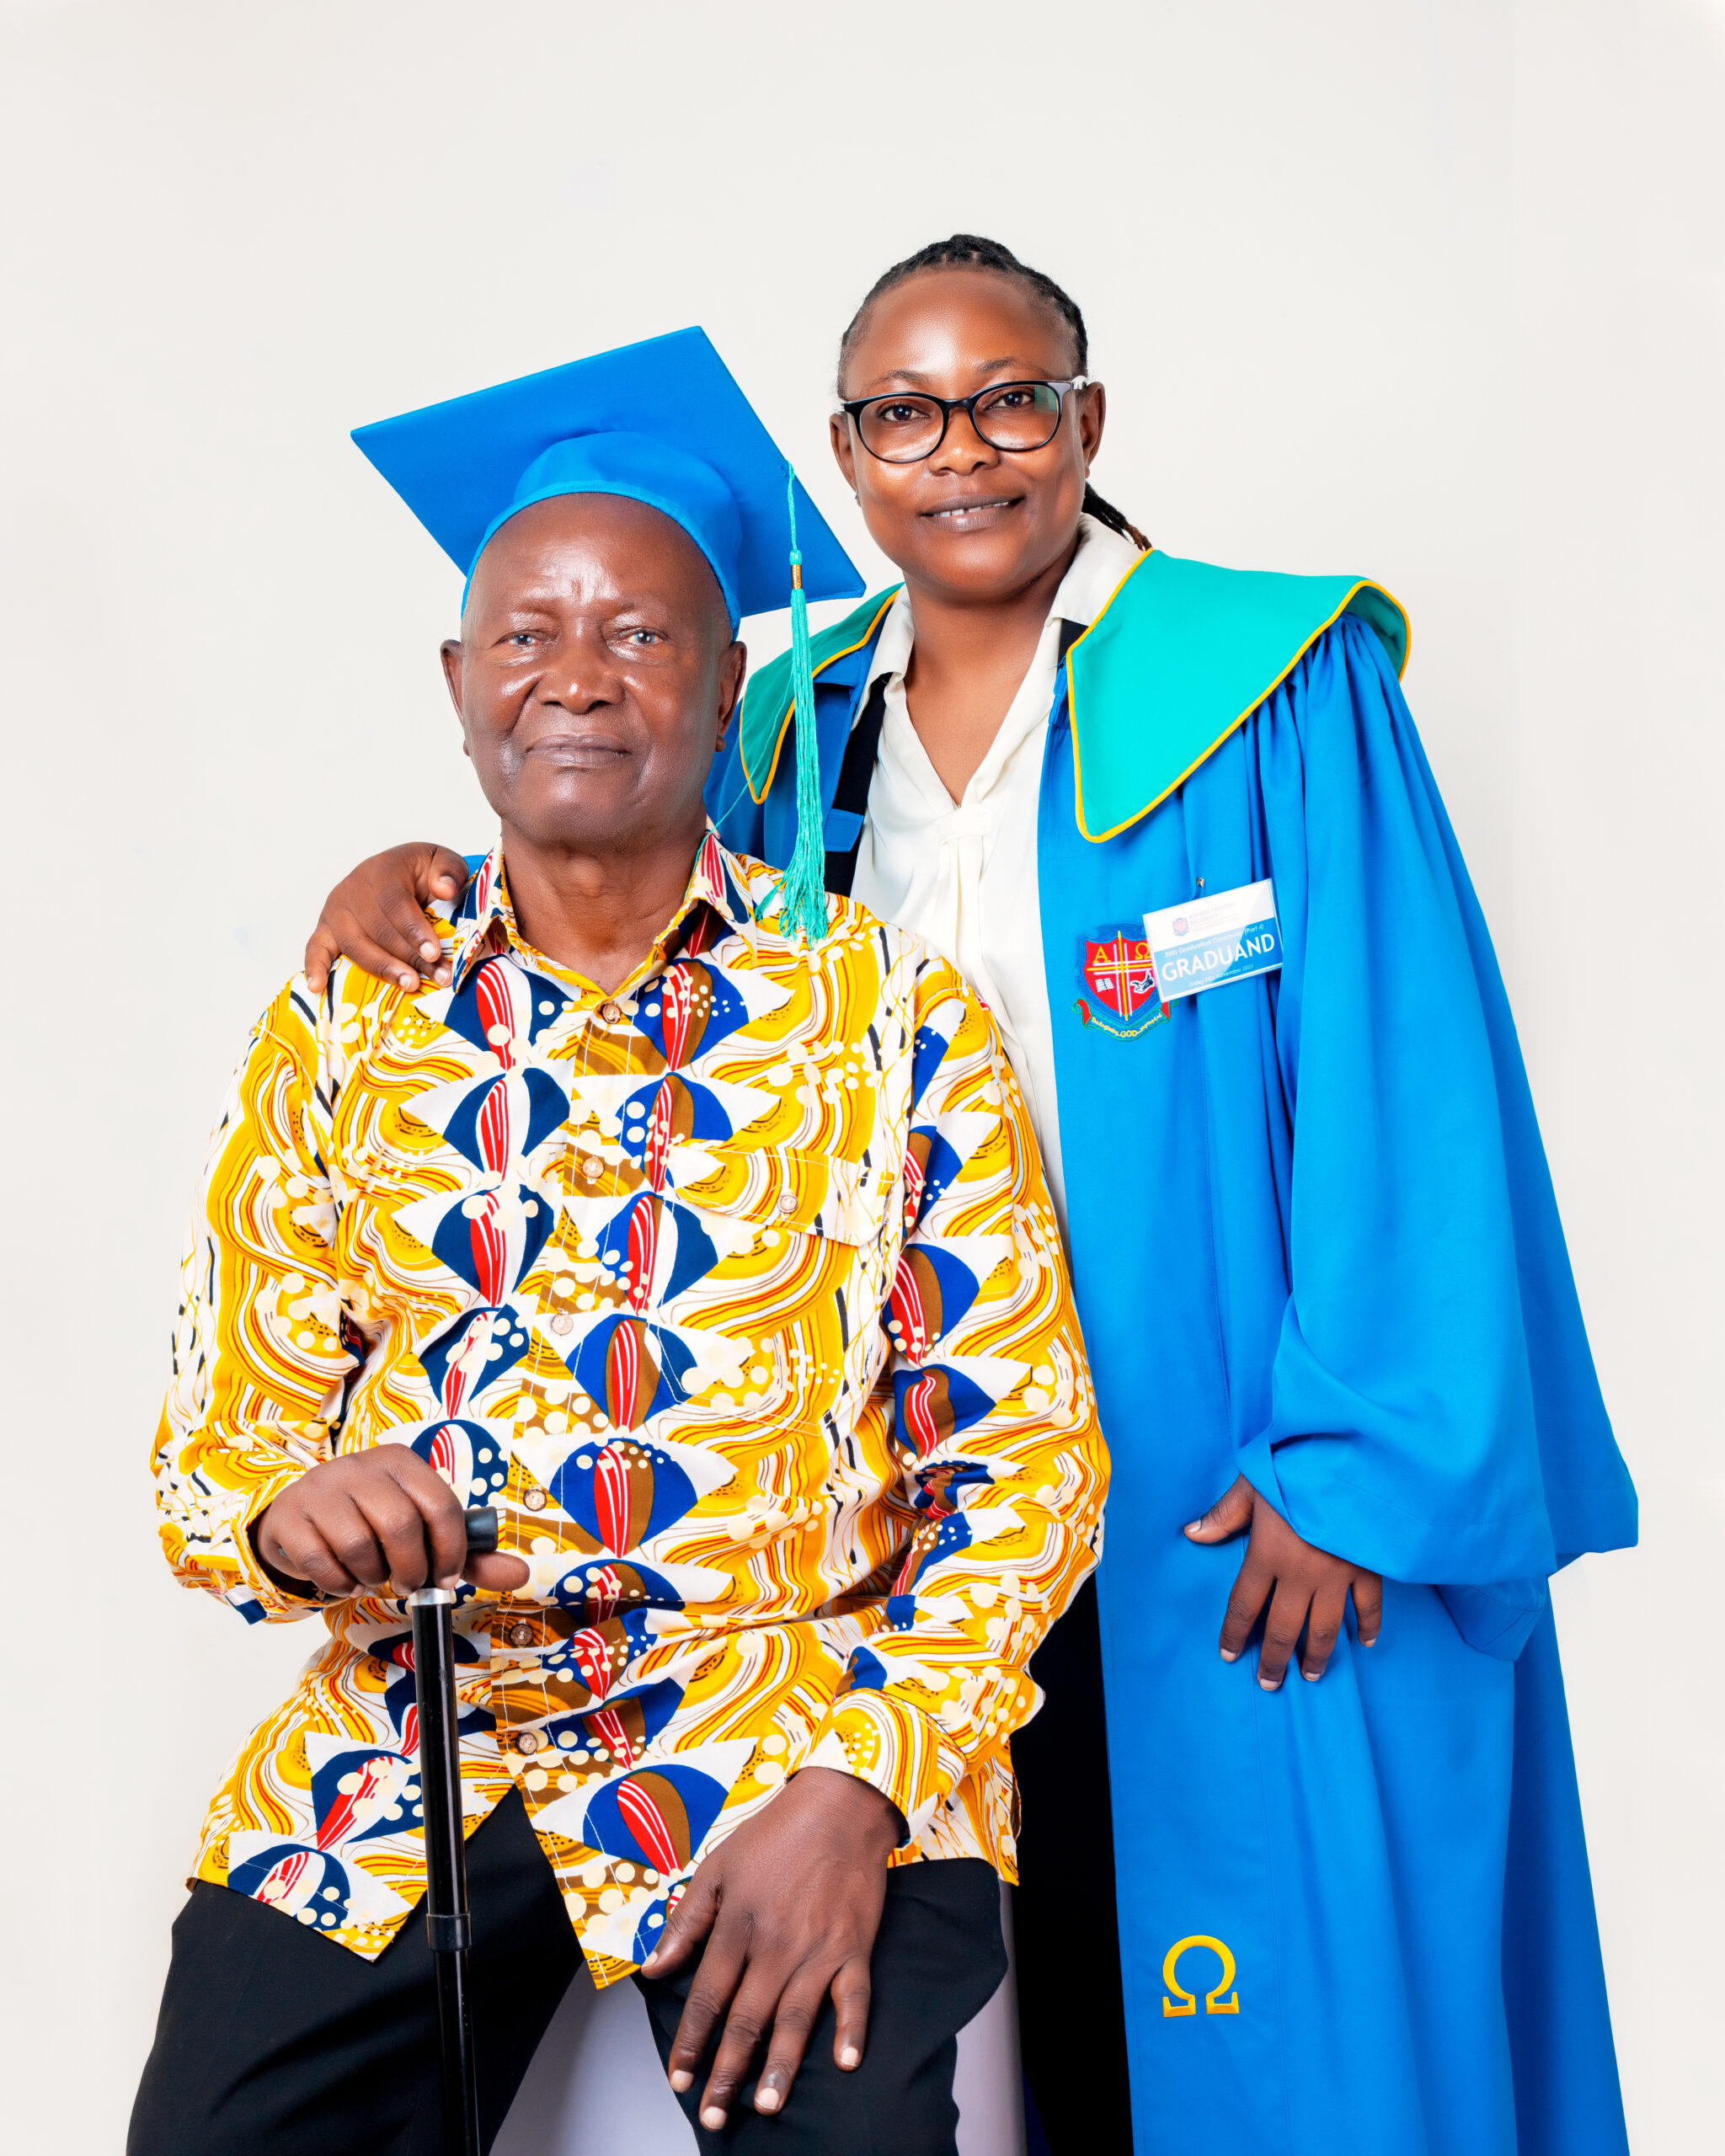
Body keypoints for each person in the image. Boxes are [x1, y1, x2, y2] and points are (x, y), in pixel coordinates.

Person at [309, 239, 1639, 2156]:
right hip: (914, 1486)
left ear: (1083, 423)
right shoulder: (789, 737)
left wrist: (1355, 1457)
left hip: (1231, 1478)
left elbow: (1408, 1071)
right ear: (846, 457)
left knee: (1276, 2016)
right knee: (1005, 2001)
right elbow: (603, 911)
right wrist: (408, 880)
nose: (964, 450)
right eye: (904, 413)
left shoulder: (1269, 684)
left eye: (1012, 399)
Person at [132, 328, 1108, 2156]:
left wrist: (861, 1778)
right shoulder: (351, 1013)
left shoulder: (886, 1018)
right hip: (423, 1736)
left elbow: (1026, 1460)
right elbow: (212, 1450)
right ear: (456, 678)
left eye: (642, 633)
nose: (577, 676)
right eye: (526, 633)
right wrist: (290, 1508)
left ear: (728, 681)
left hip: (780, 1718)